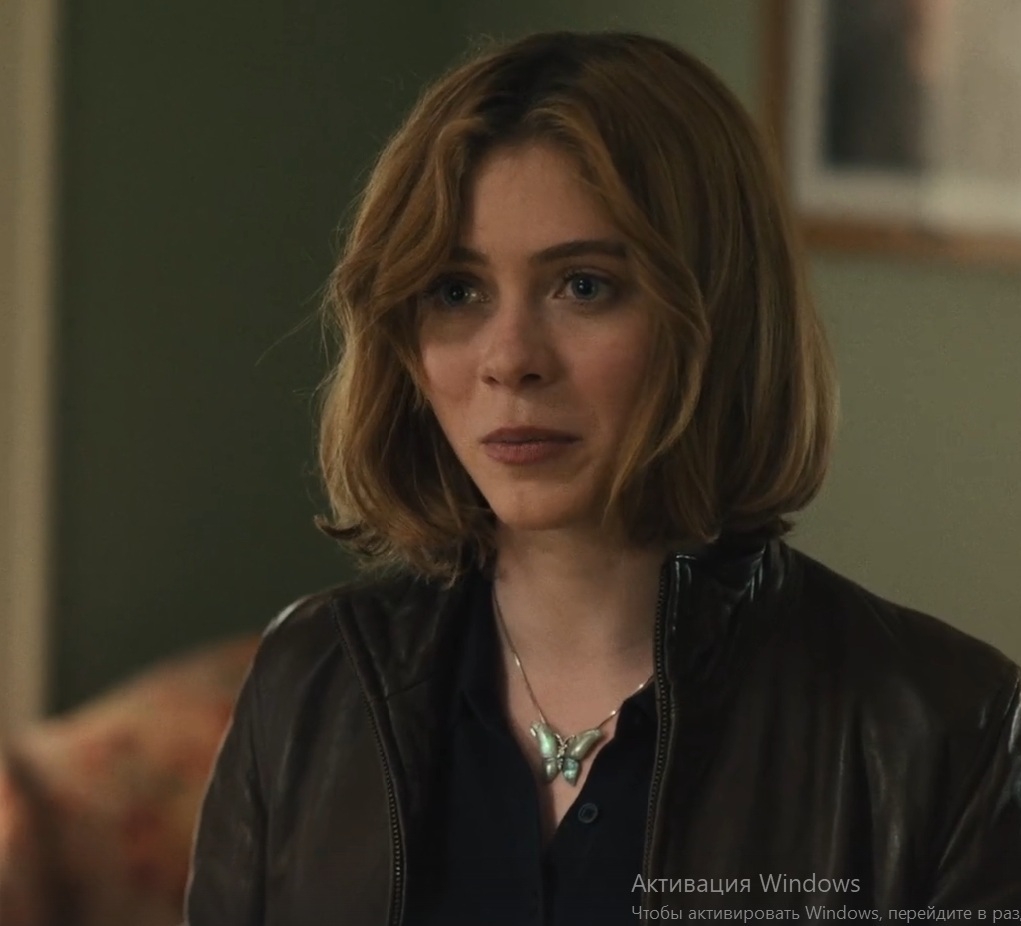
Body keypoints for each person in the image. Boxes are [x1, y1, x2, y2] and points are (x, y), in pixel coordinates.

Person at [183, 31, 1021, 925]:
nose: (509, 359)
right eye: (456, 291)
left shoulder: (949, 729)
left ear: (720, 316)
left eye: (583, 286)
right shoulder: (312, 682)